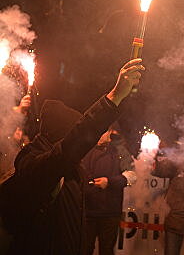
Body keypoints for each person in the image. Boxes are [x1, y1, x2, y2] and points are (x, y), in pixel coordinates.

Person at [5, 58, 144, 255]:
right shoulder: (36, 163)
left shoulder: (69, 166)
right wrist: (113, 98)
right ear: (62, 136)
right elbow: (73, 143)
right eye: (73, 133)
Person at [82, 122, 136, 255]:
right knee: (84, 250)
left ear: (110, 133)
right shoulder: (85, 150)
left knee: (106, 251)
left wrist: (109, 182)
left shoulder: (119, 150)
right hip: (87, 212)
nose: (100, 136)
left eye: (103, 132)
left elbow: (132, 175)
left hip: (110, 213)